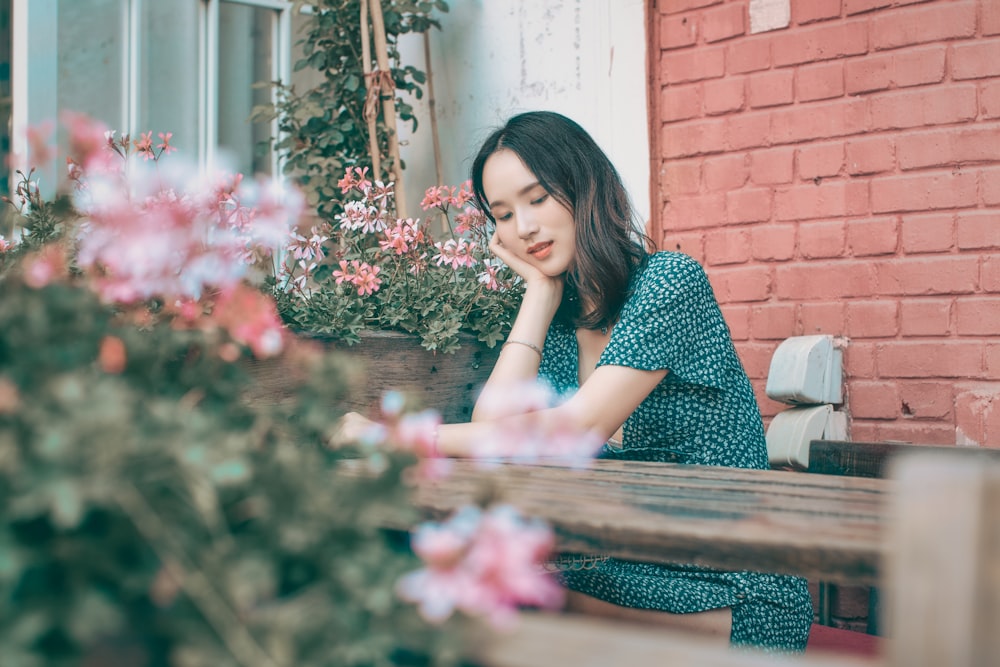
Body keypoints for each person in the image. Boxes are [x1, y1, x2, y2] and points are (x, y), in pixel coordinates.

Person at [340, 110, 813, 652]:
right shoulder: (563, 327)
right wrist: (539, 297)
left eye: (537, 198)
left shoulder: (669, 283)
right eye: (504, 214)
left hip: (731, 587)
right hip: (616, 570)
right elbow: (492, 430)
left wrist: (393, 436)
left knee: (469, 596)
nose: (525, 227)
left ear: (585, 185)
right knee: (445, 579)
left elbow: (577, 427)